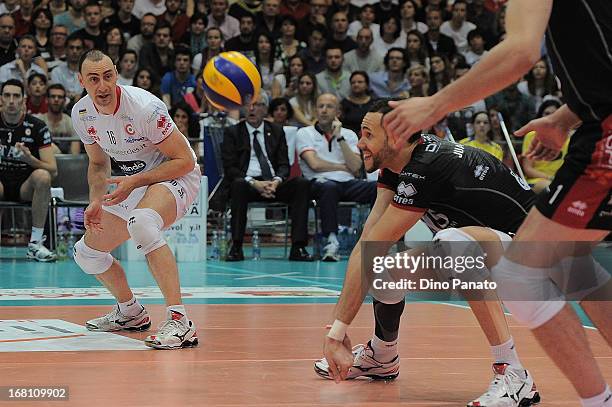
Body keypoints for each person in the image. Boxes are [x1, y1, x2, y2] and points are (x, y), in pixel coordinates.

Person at [381, 1, 612, 405]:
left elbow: (521, 50)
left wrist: (434, 104)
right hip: (595, 123)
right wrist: (563, 119)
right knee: (572, 263)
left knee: (522, 274)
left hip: (604, 136)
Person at [318, 99, 541, 406]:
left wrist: (335, 334)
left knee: (454, 241)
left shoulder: (428, 165)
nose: (360, 143)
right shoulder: (395, 167)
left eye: (368, 135)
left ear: (395, 137)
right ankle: (382, 356)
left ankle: (514, 374)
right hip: (488, 249)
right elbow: (369, 243)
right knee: (383, 269)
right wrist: (337, 329)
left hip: (534, 254)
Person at [71, 49, 201, 350]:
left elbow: (184, 160)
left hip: (175, 176)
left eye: (107, 76)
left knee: (141, 221)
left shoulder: (144, 108)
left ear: (116, 73)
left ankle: (181, 322)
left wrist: (136, 182)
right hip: (135, 183)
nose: (102, 86)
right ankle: (131, 312)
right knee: (86, 253)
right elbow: (98, 163)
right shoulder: (81, 113)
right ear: (81, 81)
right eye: (93, 79)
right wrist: (96, 199)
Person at [220, 92, 313, 262]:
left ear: (265, 110)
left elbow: (284, 164)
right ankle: (236, 246)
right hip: (248, 183)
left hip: (273, 184)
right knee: (238, 184)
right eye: (249, 105)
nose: (252, 109)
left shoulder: (277, 131)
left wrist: (276, 182)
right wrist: (255, 183)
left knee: (301, 184)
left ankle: (298, 247)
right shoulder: (233, 132)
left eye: (258, 105)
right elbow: (230, 168)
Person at [297, 93, 376, 261]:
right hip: (318, 183)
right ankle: (331, 242)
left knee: (378, 187)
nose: (324, 110)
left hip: (347, 183)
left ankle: (374, 238)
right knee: (329, 187)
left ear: (338, 113)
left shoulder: (349, 135)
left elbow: (356, 168)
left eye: (329, 107)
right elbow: (314, 165)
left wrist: (339, 137)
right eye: (320, 106)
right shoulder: (305, 133)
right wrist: (341, 166)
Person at [0, 79, 57, 262]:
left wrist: (29, 159)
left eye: (16, 96)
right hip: (1, 184)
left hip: (26, 186)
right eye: (7, 95)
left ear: (23, 100)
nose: (11, 100)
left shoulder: (37, 127)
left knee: (43, 176)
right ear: (1, 99)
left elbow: (53, 169)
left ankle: (35, 244)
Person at [35, 83, 80, 155]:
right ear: (46, 99)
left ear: (65, 101)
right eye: (53, 96)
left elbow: (75, 154)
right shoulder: (38, 122)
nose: (56, 99)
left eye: (60, 97)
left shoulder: (72, 123)